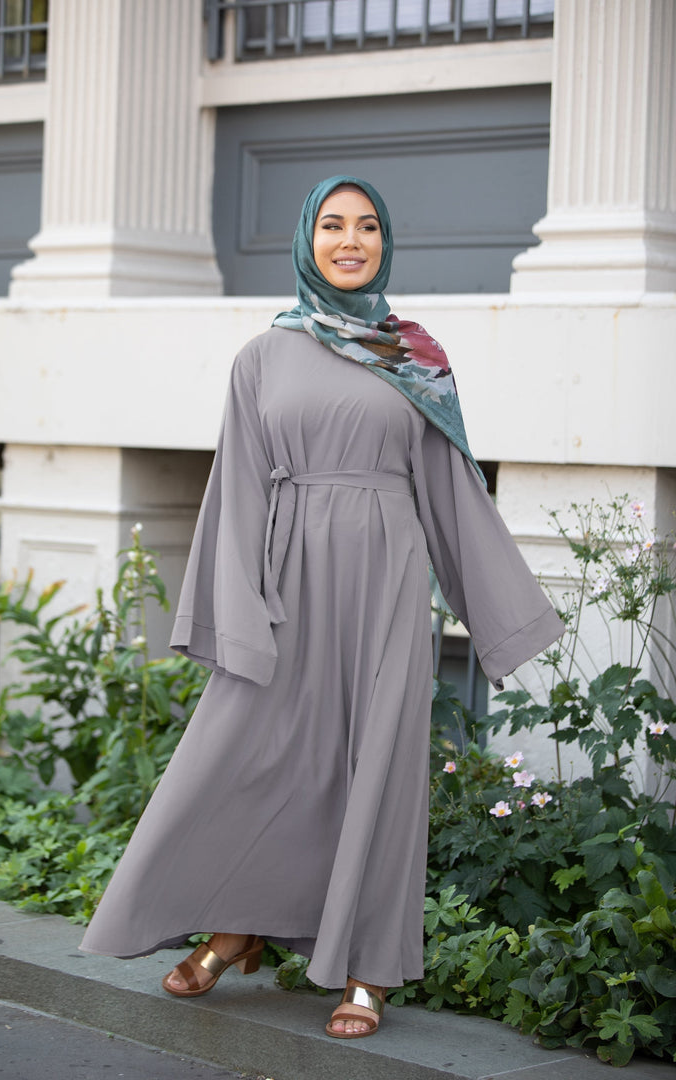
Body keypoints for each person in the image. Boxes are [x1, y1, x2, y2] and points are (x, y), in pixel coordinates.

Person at [80, 175, 564, 1039]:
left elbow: (450, 490)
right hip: (286, 573)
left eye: (368, 225)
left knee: (374, 766)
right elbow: (235, 488)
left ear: (384, 241)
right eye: (334, 225)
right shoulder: (263, 355)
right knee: (251, 751)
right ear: (307, 239)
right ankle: (238, 923)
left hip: (384, 576)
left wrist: (502, 613)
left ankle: (368, 969)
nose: (352, 240)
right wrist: (239, 604)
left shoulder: (413, 353)